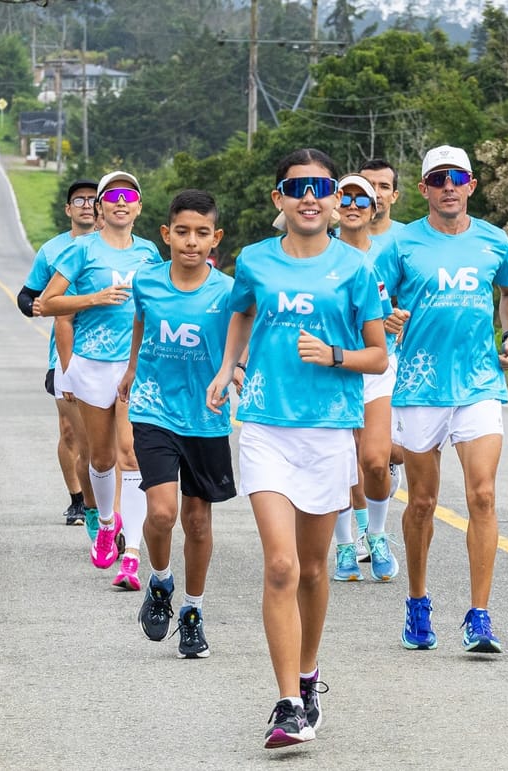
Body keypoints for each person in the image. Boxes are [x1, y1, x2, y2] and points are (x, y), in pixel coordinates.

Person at [206, 149, 387, 748]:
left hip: (329, 429)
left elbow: (377, 356)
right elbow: (241, 314)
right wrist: (227, 367)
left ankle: (309, 677)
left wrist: (333, 356)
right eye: (297, 186)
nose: (310, 196)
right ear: (278, 198)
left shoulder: (355, 268)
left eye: (321, 186)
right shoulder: (255, 260)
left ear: (335, 199)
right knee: (281, 564)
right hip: (263, 425)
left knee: (313, 568)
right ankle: (286, 703)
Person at [377, 145, 508, 653]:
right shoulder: (403, 244)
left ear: (471, 184)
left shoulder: (493, 239)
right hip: (420, 387)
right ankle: (417, 603)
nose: (448, 187)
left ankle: (479, 616)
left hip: (479, 383)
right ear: (424, 189)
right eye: (438, 179)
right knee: (422, 502)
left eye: (456, 177)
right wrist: (387, 318)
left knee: (481, 495)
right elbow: (373, 297)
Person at [118, 189, 236, 658]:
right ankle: (162, 580)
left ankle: (192, 611)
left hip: (206, 416)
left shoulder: (227, 291)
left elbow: (240, 339)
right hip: (153, 408)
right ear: (166, 235)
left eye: (201, 234)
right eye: (182, 232)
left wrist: (237, 370)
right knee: (163, 513)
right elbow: (142, 327)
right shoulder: (146, 282)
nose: (191, 241)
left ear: (215, 239)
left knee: (198, 520)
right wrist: (131, 368)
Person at [39, 171, 162, 590]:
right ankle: (107, 523)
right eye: (113, 195)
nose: (121, 202)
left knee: (131, 453)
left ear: (139, 206)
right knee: (102, 457)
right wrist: (94, 299)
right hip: (92, 364)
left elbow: (159, 306)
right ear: (101, 206)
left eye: (130, 195)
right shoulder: (81, 250)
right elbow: (48, 303)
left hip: (135, 365)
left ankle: (131, 557)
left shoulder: (149, 254)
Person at [17, 179, 98, 529]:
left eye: (93, 200)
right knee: (70, 432)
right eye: (78, 200)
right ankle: (78, 500)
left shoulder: (116, 249)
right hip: (63, 353)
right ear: (68, 209)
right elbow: (26, 295)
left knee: (104, 439)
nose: (86, 205)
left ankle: (106, 503)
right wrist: (36, 307)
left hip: (112, 353)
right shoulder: (52, 250)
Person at [332, 174, 399, 583]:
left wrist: (401, 316)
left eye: (363, 199)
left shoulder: (389, 255)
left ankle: (375, 535)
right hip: (331, 370)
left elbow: (407, 299)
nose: (354, 204)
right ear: (334, 205)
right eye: (346, 197)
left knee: (376, 459)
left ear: (375, 209)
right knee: (340, 464)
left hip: (378, 366)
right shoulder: (318, 253)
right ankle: (343, 545)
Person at [359, 159, 406, 504]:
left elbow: (424, 295)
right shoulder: (334, 239)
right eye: (367, 185)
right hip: (351, 355)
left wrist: (402, 318)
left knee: (397, 451)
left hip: (400, 357)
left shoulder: (408, 239)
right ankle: (363, 534)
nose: (375, 192)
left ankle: (390, 465)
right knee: (357, 453)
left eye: (383, 186)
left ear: (395, 195)